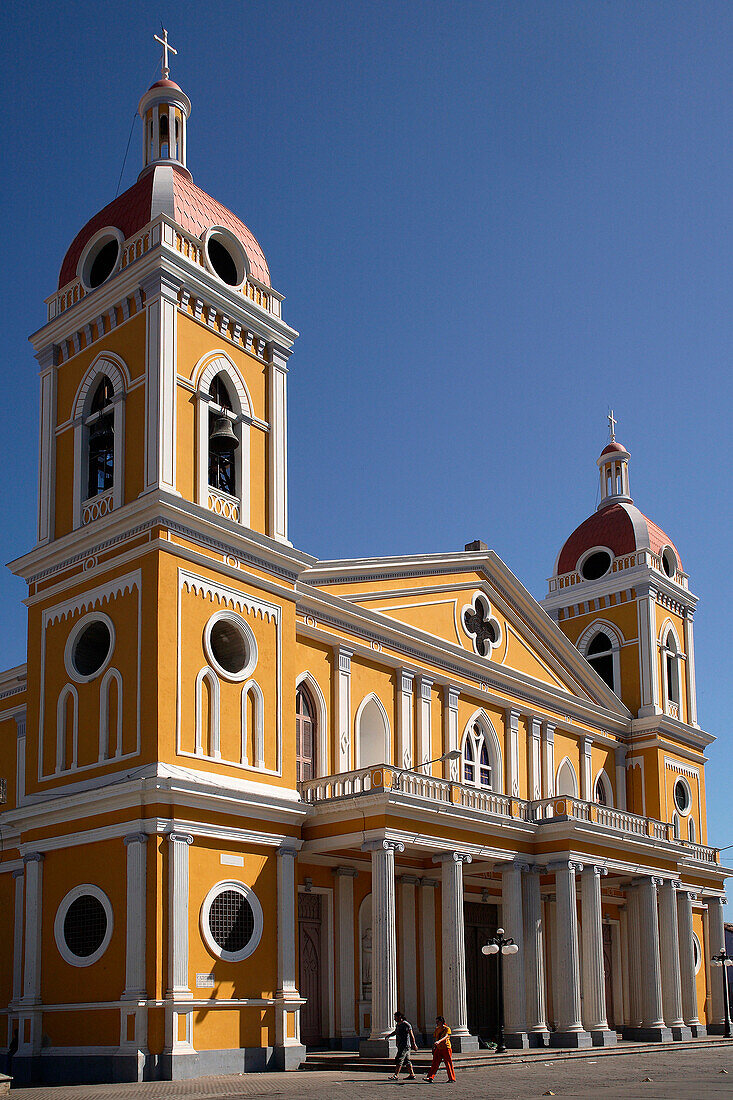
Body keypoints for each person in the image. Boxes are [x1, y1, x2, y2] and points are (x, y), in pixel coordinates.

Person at [387, 1011, 418, 1080]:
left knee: (399, 1059)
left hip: (405, 1045)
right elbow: (396, 1031)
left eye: (395, 1017)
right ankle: (412, 1074)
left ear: (400, 1017)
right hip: (400, 1045)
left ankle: (396, 1075)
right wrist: (389, 1035)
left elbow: (411, 1035)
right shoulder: (398, 1025)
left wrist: (414, 1044)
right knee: (407, 1061)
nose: (394, 1019)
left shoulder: (406, 1024)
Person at [425, 1015, 455, 1083]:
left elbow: (446, 1036)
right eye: (436, 1022)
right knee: (435, 1063)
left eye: (438, 1021)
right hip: (438, 1048)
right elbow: (435, 1038)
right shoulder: (437, 1029)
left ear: (441, 1021)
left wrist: (439, 1041)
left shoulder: (447, 1028)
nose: (437, 1023)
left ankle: (452, 1078)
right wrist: (433, 1047)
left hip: (446, 1048)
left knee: (448, 1063)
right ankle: (430, 1077)